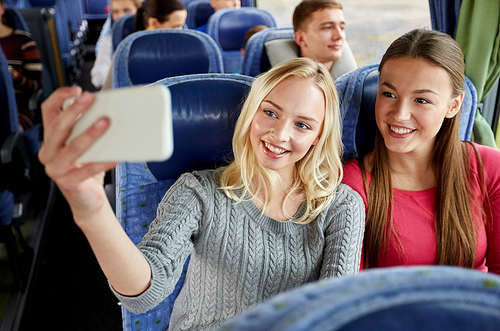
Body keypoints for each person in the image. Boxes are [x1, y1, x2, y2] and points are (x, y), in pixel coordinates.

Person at [38, 57, 365, 330]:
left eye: (303, 125)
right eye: (270, 112)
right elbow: (143, 296)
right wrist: (93, 212)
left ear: (318, 137)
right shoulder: (199, 191)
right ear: (251, 112)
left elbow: (334, 314)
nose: (279, 134)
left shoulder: (341, 207)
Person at [342, 28, 500, 274]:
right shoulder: (351, 184)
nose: (400, 114)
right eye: (389, 94)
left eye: (421, 100)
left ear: (453, 105)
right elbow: (350, 290)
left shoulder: (489, 168)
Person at [99, 0, 187, 90]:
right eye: (175, 27)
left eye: (182, 26)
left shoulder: (188, 50)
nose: (181, 31)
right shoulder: (126, 52)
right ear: (154, 23)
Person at [265, 0, 356, 80]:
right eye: (327, 27)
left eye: (342, 27)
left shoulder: (359, 85)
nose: (339, 36)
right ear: (301, 39)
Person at [0, 0, 42, 131]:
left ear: (2, 8)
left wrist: (14, 77)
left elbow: (36, 87)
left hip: (18, 109)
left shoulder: (23, 41)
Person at [90, 0, 143, 89]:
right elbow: (98, 76)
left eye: (127, 11)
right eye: (115, 12)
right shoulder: (109, 40)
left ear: (139, 11)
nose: (121, 16)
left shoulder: (149, 37)